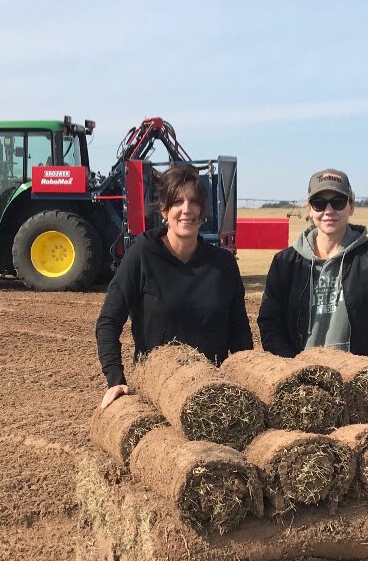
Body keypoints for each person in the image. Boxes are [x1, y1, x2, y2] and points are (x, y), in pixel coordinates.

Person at [96, 164, 253, 408]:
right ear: (164, 210)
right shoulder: (142, 256)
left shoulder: (223, 265)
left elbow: (240, 333)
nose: (186, 210)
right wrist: (115, 379)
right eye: (178, 202)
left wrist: (245, 381)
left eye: (194, 202)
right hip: (157, 393)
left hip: (212, 396)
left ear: (203, 212)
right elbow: (108, 321)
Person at [257, 168, 368, 359]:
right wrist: (292, 368)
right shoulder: (285, 262)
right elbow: (270, 324)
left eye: (338, 202)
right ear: (309, 209)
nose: (329, 211)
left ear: (351, 206)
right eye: (319, 203)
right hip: (300, 380)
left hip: (358, 379)